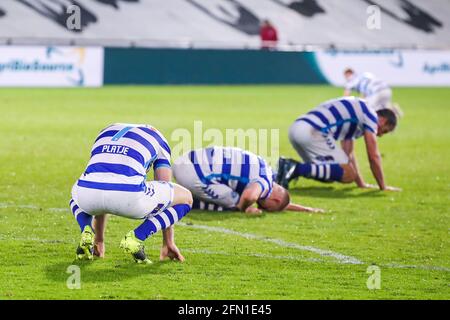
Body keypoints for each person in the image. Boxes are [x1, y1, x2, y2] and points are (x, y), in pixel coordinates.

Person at [69, 123, 193, 264]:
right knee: (186, 198)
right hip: (130, 198)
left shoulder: (105, 132)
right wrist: (168, 242)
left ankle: (86, 229)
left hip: (88, 194)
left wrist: (99, 240)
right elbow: (165, 186)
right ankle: (136, 238)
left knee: (77, 192)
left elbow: (104, 180)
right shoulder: (159, 139)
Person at [276, 97, 401, 192]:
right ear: (383, 120)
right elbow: (373, 156)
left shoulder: (358, 116)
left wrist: (361, 184)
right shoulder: (371, 116)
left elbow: (348, 155)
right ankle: (293, 168)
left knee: (336, 172)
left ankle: (279, 174)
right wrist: (383, 187)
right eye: (384, 131)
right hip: (314, 131)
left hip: (297, 128)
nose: (379, 135)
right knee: (346, 174)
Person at [173, 146, 323, 214]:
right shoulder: (265, 183)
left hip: (185, 161)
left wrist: (304, 209)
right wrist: (245, 208)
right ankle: (183, 203)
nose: (262, 207)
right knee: (236, 204)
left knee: (235, 197)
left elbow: (278, 201)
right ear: (275, 200)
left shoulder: (267, 170)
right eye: (267, 208)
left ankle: (180, 199)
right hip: (193, 174)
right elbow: (250, 196)